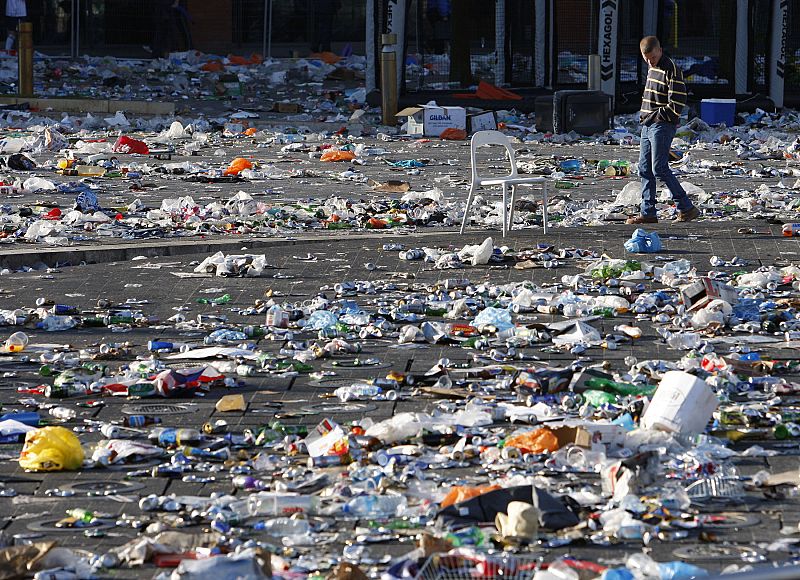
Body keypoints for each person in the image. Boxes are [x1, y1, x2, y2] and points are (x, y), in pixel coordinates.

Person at [627, 36, 699, 225]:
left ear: (660, 50)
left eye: (653, 57)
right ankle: (648, 213)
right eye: (646, 58)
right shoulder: (652, 68)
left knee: (659, 168)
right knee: (644, 169)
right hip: (648, 124)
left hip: (661, 125)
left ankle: (686, 207)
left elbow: (678, 102)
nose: (650, 61)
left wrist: (657, 116)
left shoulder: (671, 69)